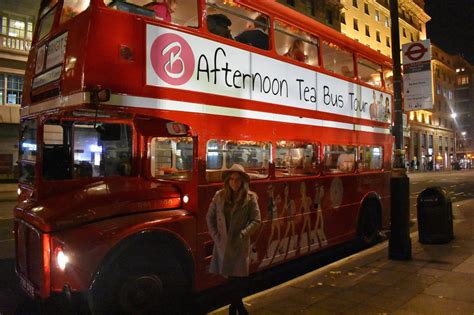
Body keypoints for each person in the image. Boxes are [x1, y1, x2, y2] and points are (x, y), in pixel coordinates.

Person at [206, 164, 261, 315]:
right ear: (227, 181)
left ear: (243, 181)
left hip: (239, 244)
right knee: (230, 278)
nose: (234, 182)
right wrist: (217, 237)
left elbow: (256, 221)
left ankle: (235, 306)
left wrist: (243, 235)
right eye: (231, 179)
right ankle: (237, 307)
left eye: (237, 179)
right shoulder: (219, 196)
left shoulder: (250, 198)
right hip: (223, 244)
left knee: (238, 279)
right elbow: (209, 218)